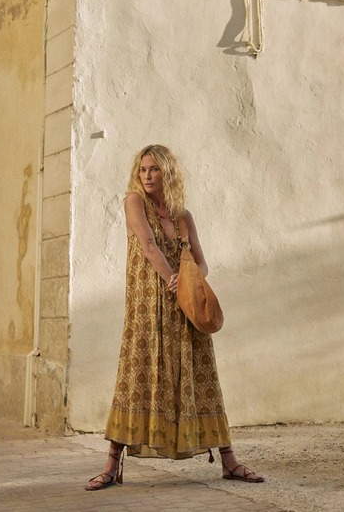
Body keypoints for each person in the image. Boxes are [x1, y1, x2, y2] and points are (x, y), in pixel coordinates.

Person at [85, 144, 265, 491]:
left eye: (154, 169)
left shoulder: (184, 216)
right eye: (142, 170)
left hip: (184, 306)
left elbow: (203, 262)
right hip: (148, 305)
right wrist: (174, 277)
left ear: (167, 172)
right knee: (137, 375)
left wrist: (189, 279)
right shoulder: (133, 202)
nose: (147, 176)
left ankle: (229, 461)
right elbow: (149, 245)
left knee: (201, 375)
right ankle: (111, 465)